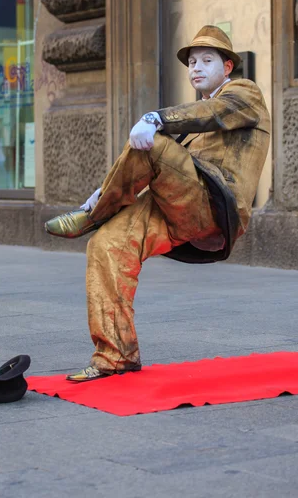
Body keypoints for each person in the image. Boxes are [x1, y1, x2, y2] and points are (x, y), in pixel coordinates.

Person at [45, 25, 270, 382]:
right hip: (180, 206)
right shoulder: (199, 112)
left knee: (152, 145)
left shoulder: (244, 93)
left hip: (214, 204)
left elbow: (210, 114)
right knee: (107, 244)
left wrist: (156, 118)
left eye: (206, 60)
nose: (196, 67)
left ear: (227, 67)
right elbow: (172, 165)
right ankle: (115, 355)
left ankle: (94, 211)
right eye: (192, 62)